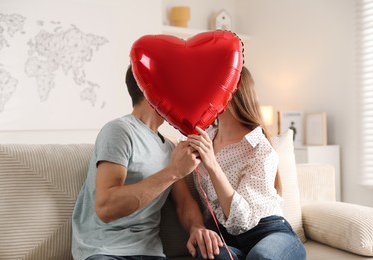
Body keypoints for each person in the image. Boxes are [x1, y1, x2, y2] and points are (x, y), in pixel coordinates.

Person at [71, 65, 224, 260]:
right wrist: (173, 171)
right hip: (105, 251)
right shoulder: (119, 131)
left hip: (150, 253)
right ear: (151, 90)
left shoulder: (169, 147)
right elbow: (106, 208)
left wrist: (197, 228)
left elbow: (184, 203)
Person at [187, 66, 306, 259]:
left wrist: (212, 164)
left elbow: (240, 220)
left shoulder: (260, 147)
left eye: (212, 87)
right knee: (208, 253)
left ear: (232, 93)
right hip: (226, 238)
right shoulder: (202, 140)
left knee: (260, 256)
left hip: (270, 231)